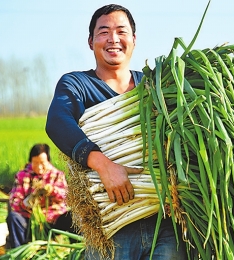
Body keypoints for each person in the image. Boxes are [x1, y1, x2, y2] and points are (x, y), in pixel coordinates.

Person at [45, 4, 186, 259]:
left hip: (165, 226)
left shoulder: (155, 87)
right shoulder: (78, 85)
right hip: (110, 231)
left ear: (133, 39)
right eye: (103, 32)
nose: (113, 39)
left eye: (122, 31)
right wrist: (104, 165)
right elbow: (57, 121)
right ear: (90, 42)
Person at [6, 143, 74, 248]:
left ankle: (78, 251)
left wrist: (52, 191)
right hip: (29, 221)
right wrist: (26, 203)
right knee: (13, 217)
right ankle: (19, 252)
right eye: (35, 162)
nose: (39, 167)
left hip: (53, 221)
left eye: (42, 163)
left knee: (73, 216)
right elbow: (14, 200)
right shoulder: (22, 175)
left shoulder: (57, 175)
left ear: (48, 161)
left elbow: (66, 198)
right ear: (30, 161)